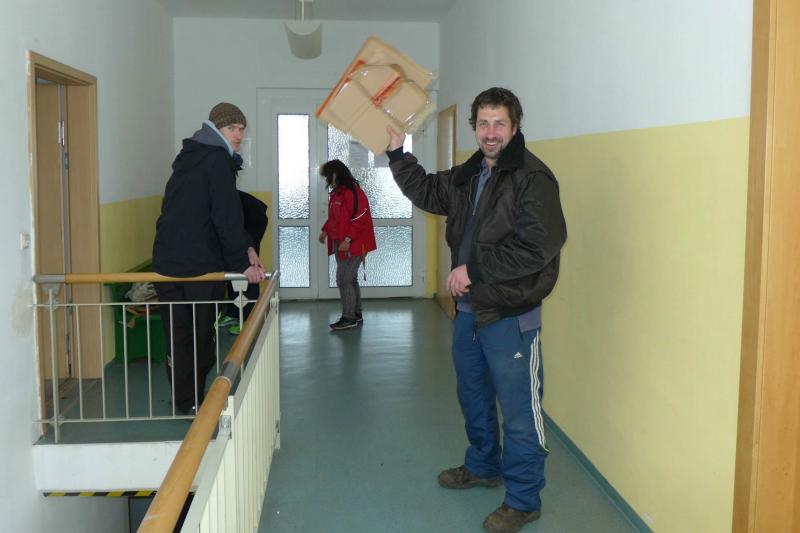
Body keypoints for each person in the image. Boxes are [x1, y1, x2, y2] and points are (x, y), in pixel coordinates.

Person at [386, 88, 567, 533]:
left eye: (499, 123)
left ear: (515, 127)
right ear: (474, 128)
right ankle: (484, 466)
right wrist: (397, 153)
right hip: (469, 312)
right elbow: (428, 190)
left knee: (520, 414)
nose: (490, 132)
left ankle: (523, 500)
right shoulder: (470, 174)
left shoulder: (533, 178)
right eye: (483, 123)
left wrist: (475, 269)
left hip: (510, 315)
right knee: (474, 397)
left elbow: (536, 248)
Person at [152, 102, 265, 415]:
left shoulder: (190, 157)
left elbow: (203, 214)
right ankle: (195, 404)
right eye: (232, 128)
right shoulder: (217, 160)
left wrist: (246, 247)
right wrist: (243, 265)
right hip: (198, 268)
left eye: (241, 129)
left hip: (167, 264)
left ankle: (185, 403)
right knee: (200, 340)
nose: (238, 134)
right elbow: (225, 217)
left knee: (178, 339)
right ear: (216, 129)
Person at [318, 159, 376, 331]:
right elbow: (336, 218)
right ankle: (356, 314)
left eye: (327, 176)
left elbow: (360, 219)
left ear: (335, 174)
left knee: (343, 279)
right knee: (350, 279)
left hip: (353, 244)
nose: (326, 179)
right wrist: (325, 230)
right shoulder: (337, 193)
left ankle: (349, 317)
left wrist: (348, 240)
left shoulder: (353, 192)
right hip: (341, 242)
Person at [217, 190, 269, 334]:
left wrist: (249, 249)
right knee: (234, 265)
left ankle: (249, 319)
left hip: (253, 220)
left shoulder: (219, 193)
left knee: (249, 265)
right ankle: (234, 314)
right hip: (246, 220)